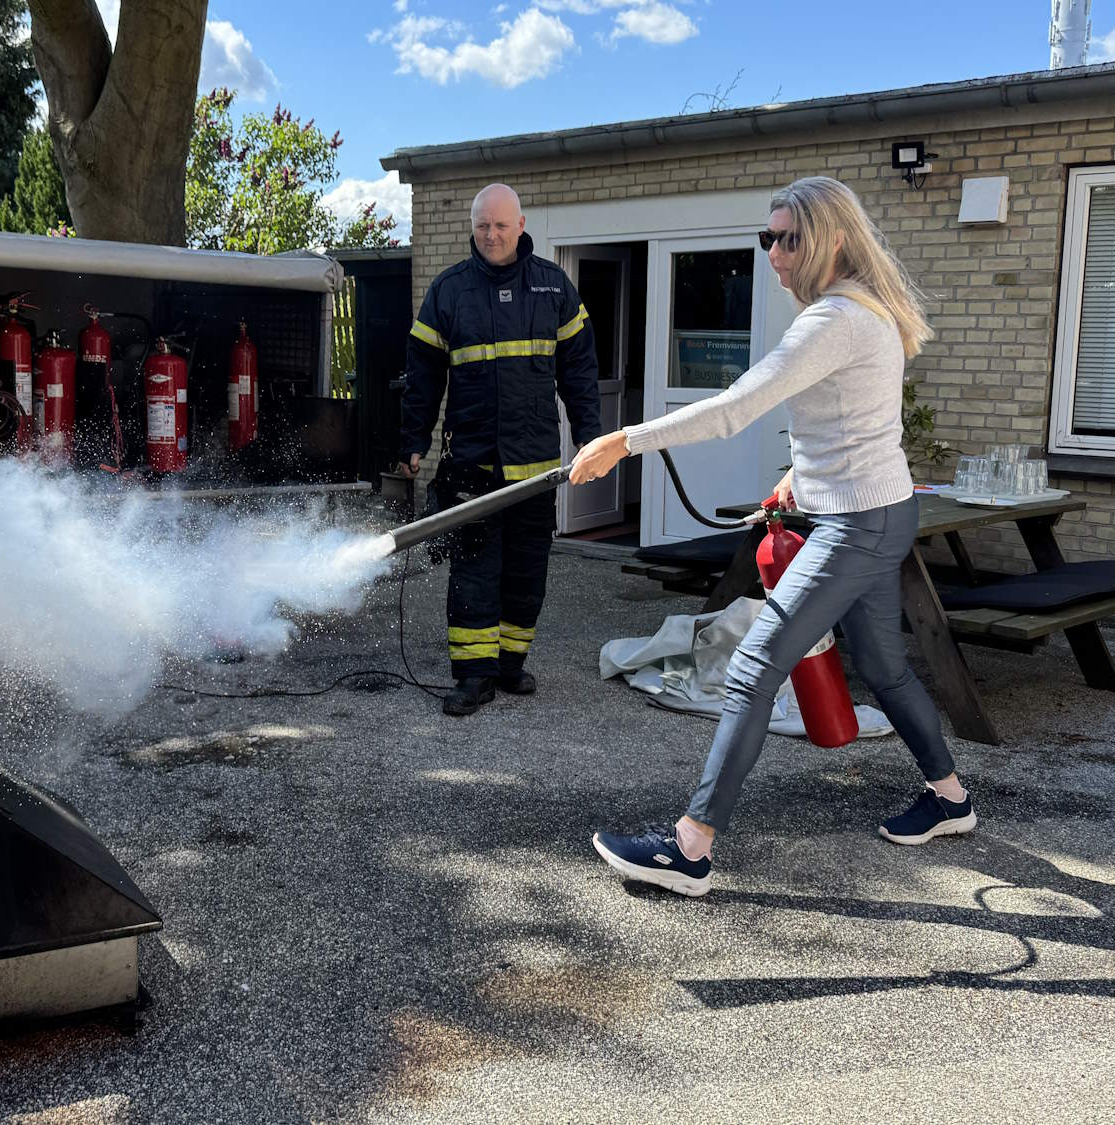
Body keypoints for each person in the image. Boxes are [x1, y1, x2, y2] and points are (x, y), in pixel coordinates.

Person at [569, 176, 976, 897]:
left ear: (832, 240)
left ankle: (689, 849)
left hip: (858, 525)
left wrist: (625, 440)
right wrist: (798, 477)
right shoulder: (865, 310)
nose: (774, 253)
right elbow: (854, 422)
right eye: (768, 237)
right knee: (883, 667)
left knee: (755, 665)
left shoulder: (835, 320)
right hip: (881, 511)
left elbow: (735, 409)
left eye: (788, 238)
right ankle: (950, 798)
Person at [399, 183, 602, 717]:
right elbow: (422, 377)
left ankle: (510, 663)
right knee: (474, 570)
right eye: (483, 225)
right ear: (473, 227)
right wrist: (414, 440)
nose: (491, 235)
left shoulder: (553, 287)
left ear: (521, 225)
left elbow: (579, 370)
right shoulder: (449, 291)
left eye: (501, 225)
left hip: (535, 468)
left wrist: (589, 434)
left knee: (526, 570)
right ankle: (473, 676)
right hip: (473, 465)